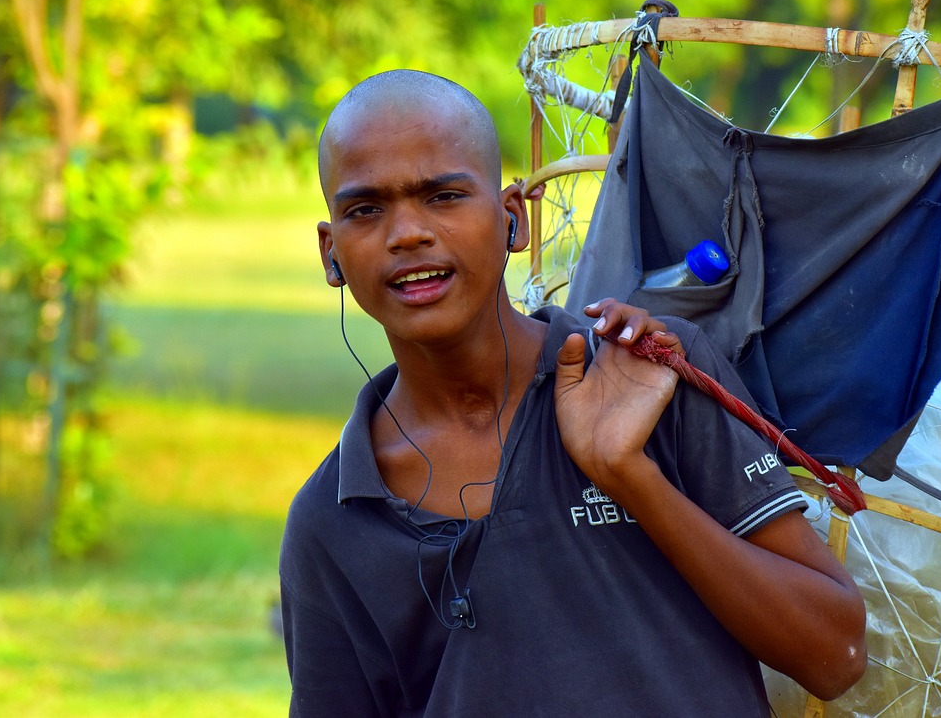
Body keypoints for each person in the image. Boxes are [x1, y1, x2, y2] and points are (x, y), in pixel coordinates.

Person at [280, 69, 866, 716]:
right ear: (332, 253)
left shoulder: (646, 374)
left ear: (512, 220)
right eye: (367, 209)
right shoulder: (335, 517)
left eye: (444, 196)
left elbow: (835, 652)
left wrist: (629, 473)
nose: (408, 233)